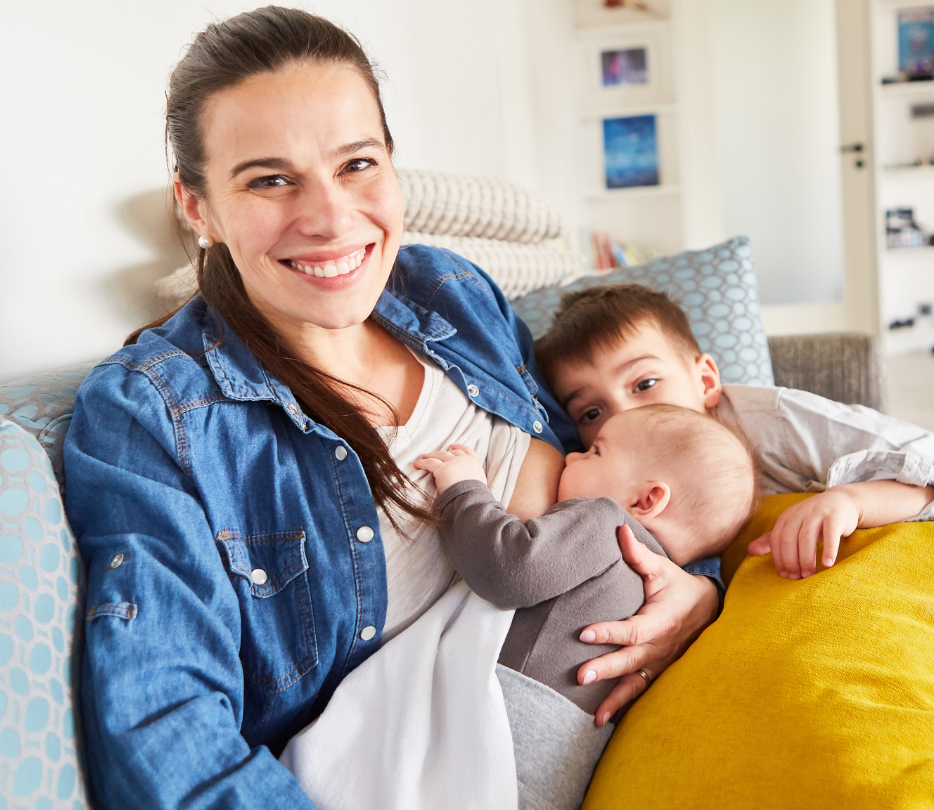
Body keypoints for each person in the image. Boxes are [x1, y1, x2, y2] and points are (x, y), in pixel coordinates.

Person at [60, 10, 719, 808]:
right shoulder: (156, 413)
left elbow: (635, 455)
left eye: (357, 164)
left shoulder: (449, 290)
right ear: (197, 209)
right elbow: (165, 729)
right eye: (269, 179)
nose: (331, 217)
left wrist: (694, 588)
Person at [533, 283, 934, 808]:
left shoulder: (779, 426)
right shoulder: (630, 484)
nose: (624, 413)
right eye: (591, 410)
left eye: (644, 383)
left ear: (705, 379)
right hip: (899, 627)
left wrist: (851, 501)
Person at [416, 405, 758, 715]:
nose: (571, 457)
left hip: (506, 716)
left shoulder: (605, 520)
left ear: (646, 499)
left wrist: (464, 490)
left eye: (595, 451)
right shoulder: (661, 594)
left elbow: (509, 570)